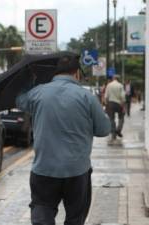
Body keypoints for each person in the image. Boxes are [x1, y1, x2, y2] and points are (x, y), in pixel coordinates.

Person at [17, 56, 111, 225]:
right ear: (76, 74)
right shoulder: (86, 97)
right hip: (77, 170)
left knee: (42, 212)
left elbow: (20, 100)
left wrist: (30, 80)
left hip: (44, 168)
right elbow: (104, 130)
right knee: (75, 217)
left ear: (56, 72)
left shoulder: (38, 92)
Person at [105, 75, 126, 140]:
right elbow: (122, 96)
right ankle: (118, 130)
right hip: (119, 104)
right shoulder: (120, 85)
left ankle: (113, 133)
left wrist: (106, 104)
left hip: (110, 103)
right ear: (118, 79)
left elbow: (106, 96)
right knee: (121, 117)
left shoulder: (109, 85)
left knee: (111, 119)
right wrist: (123, 106)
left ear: (113, 78)